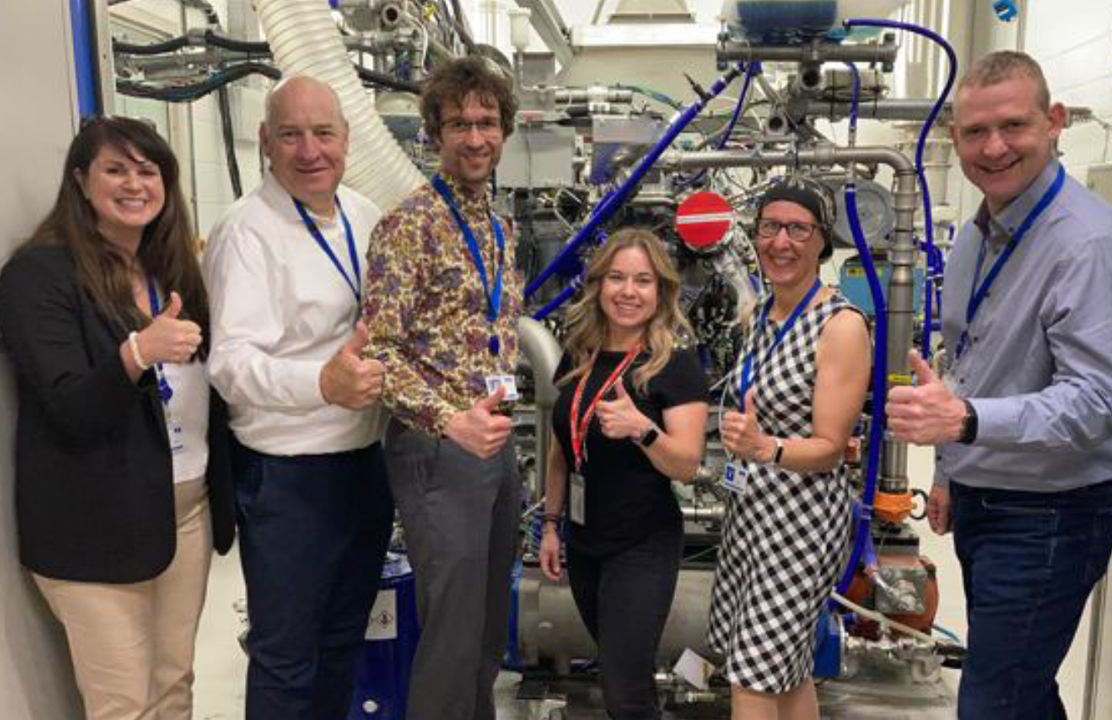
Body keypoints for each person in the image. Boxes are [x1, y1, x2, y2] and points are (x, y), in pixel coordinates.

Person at [885, 50, 1112, 720]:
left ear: (1054, 121)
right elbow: (971, 361)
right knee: (1020, 690)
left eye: (1013, 126)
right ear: (955, 139)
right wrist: (951, 470)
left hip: (1052, 515)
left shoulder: (1089, 245)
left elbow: (1094, 405)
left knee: (993, 703)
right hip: (989, 500)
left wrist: (966, 424)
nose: (994, 147)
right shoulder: (980, 233)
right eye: (975, 132)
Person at [0, 116, 235, 720]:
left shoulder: (168, 272)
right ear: (80, 180)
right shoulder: (39, 276)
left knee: (174, 684)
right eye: (115, 169)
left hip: (184, 512)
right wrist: (137, 352)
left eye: (147, 171)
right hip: (92, 526)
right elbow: (71, 406)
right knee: (124, 705)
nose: (134, 184)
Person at [202, 76, 393, 720]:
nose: (309, 150)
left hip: (363, 468)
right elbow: (229, 366)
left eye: (323, 133)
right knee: (286, 659)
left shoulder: (363, 215)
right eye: (291, 134)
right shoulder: (246, 233)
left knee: (342, 643)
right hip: (288, 484)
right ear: (264, 143)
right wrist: (321, 383)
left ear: (346, 138)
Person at [360, 56, 520, 720]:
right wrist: (451, 421)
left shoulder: (499, 224)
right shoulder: (409, 227)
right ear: (434, 133)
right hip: (439, 451)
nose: (475, 138)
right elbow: (377, 356)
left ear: (505, 131)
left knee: (487, 627)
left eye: (487, 123)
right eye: (460, 124)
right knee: (452, 636)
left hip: (497, 443)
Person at [706, 179, 871, 720]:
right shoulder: (759, 317)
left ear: (822, 242)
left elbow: (829, 448)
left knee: (752, 677)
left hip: (799, 526)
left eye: (798, 229)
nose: (781, 241)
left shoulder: (841, 326)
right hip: (751, 515)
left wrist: (764, 447)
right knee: (786, 672)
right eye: (770, 227)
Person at [537, 228, 710, 720]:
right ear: (598, 285)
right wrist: (550, 525)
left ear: (661, 292)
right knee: (619, 675)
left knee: (624, 692)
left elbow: (687, 463)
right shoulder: (579, 355)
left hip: (642, 544)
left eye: (642, 280)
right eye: (616, 278)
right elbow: (560, 448)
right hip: (585, 542)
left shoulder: (674, 368)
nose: (628, 292)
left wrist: (643, 430)